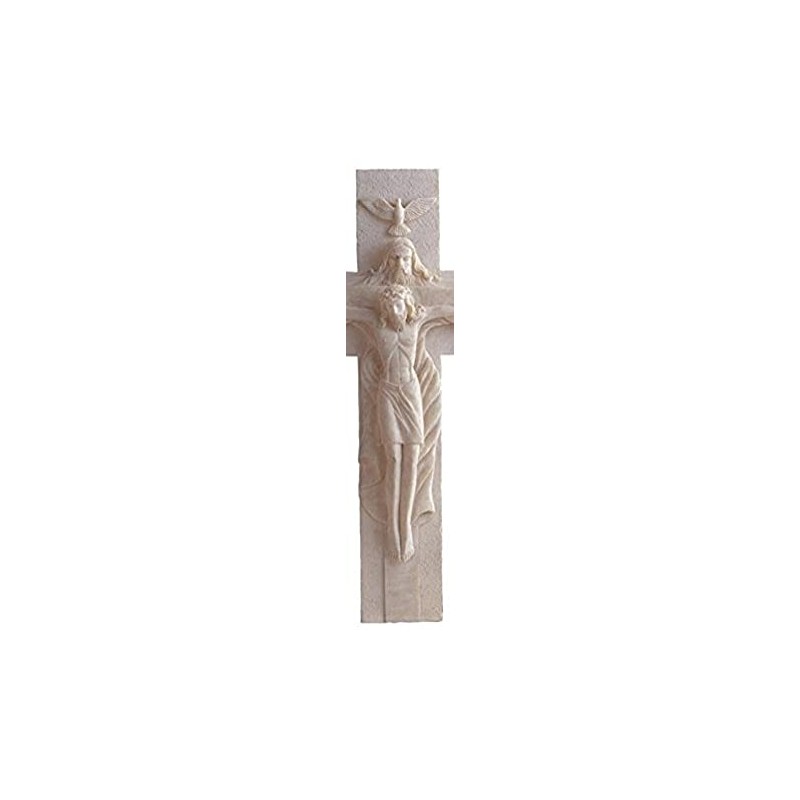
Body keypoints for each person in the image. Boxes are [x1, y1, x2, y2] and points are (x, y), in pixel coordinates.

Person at [347, 284, 453, 563]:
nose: (394, 311)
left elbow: (444, 309)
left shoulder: (416, 322)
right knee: (393, 460)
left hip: (410, 394)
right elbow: (350, 311)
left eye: (399, 305)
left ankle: (406, 525)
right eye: (390, 306)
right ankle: (392, 528)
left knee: (412, 460)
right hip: (388, 394)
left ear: (407, 306)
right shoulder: (376, 325)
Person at [363, 237, 438, 286]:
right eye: (394, 258)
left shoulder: (424, 283)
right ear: (386, 260)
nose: (400, 264)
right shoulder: (371, 283)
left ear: (413, 261)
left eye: (406, 259)